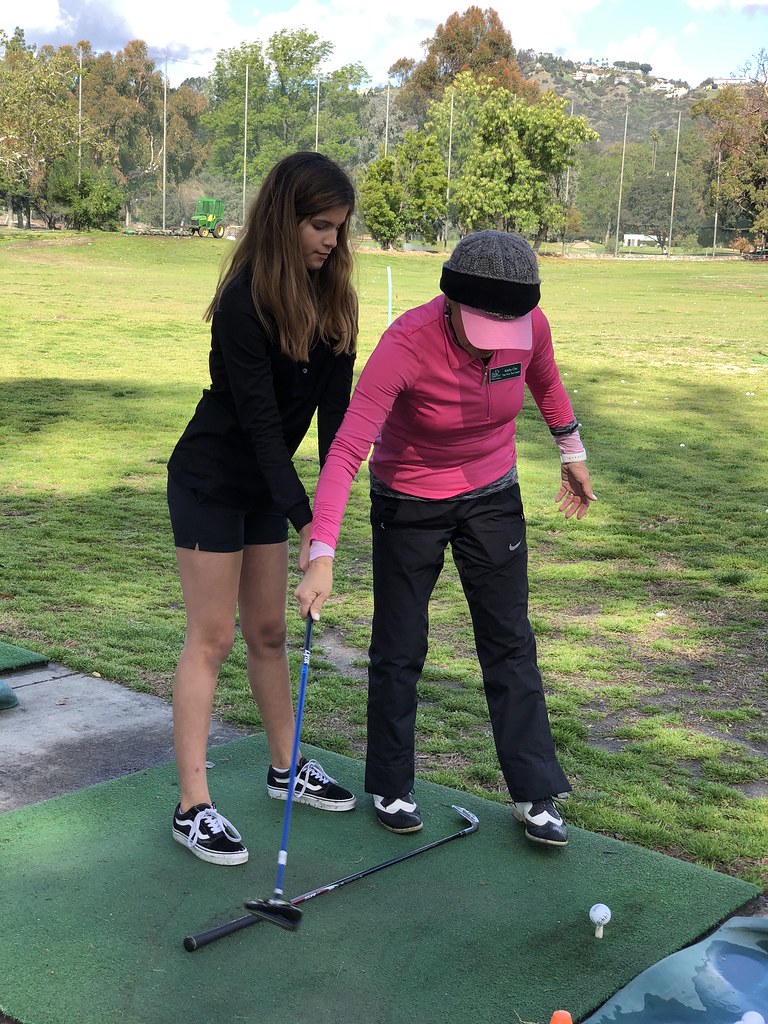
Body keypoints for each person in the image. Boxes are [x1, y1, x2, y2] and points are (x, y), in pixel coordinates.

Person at [296, 230, 596, 847]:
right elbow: (349, 448)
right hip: (408, 499)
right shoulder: (406, 343)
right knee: (401, 644)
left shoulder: (527, 325)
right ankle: (391, 782)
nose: (498, 342)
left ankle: (534, 793)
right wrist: (321, 552)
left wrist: (572, 450)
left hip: (493, 492)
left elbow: (546, 381)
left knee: (509, 639)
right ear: (452, 303)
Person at [166, 152, 359, 866]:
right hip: (213, 477)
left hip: (266, 488)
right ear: (285, 218)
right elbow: (257, 427)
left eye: (339, 229)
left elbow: (337, 427)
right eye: (319, 226)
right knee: (213, 635)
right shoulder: (246, 300)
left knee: (271, 630)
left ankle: (286, 768)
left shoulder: (336, 299)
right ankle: (193, 806)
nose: (330, 242)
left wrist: (327, 527)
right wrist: (305, 519)